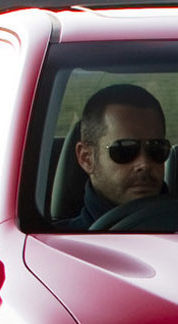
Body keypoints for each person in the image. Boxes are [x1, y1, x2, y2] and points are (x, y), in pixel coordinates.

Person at [66, 84, 171, 225]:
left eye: (156, 148)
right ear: (87, 158)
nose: (144, 164)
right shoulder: (50, 245)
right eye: (124, 150)